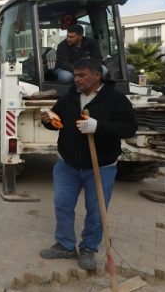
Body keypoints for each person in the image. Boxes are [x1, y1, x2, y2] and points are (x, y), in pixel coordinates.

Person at [40, 58, 137, 270]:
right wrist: (48, 121)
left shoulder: (115, 99)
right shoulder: (69, 98)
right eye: (75, 75)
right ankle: (65, 245)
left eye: (82, 75)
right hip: (67, 165)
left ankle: (89, 248)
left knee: (96, 210)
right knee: (63, 206)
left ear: (97, 75)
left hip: (100, 167)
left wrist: (98, 126)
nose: (77, 79)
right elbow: (57, 122)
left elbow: (129, 128)